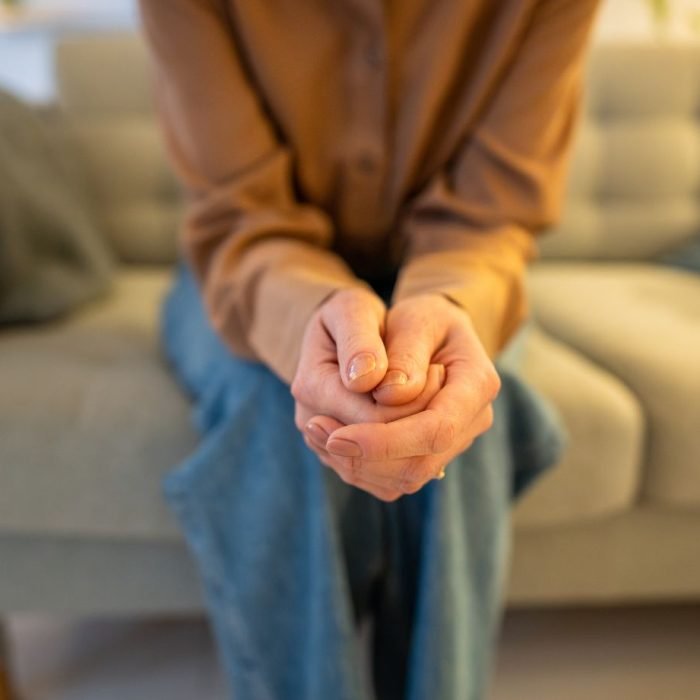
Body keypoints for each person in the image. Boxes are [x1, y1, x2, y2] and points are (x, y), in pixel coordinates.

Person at [138, 1, 600, 698]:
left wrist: (448, 308)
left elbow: (491, 215)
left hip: (459, 267)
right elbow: (242, 215)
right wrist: (308, 317)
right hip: (249, 271)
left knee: (453, 399)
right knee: (280, 405)